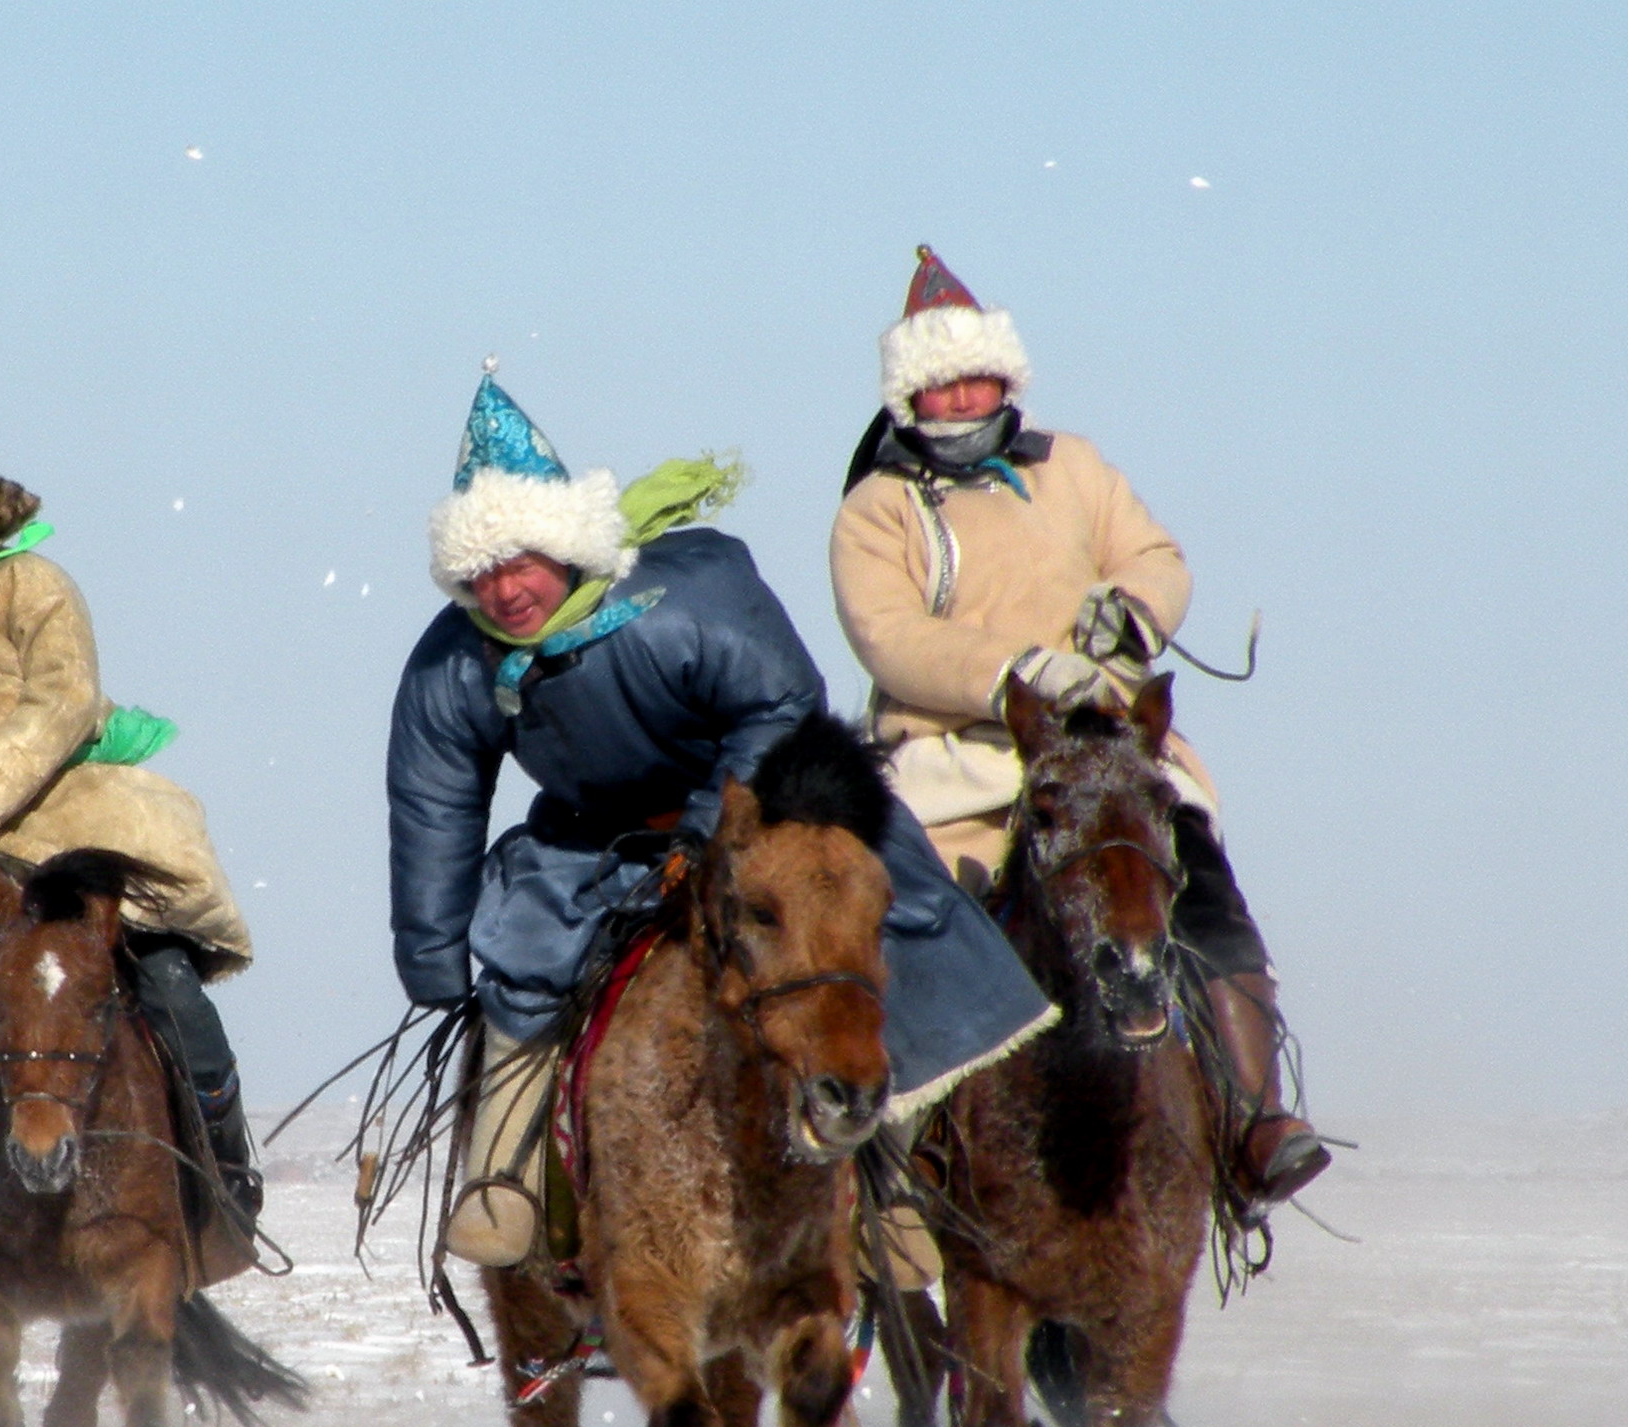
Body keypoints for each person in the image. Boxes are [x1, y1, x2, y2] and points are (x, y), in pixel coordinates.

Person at [385, 371, 1052, 1269]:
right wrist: (430, 955)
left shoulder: (687, 600)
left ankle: (892, 1180)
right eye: (479, 574)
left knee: (882, 922)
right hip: (594, 831)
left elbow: (781, 703)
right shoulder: (452, 667)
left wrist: (705, 831)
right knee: (523, 945)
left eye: (520, 563)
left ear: (567, 548)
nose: (503, 592)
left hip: (767, 800)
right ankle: (500, 1171)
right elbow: (434, 802)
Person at [829, 246, 1333, 1215]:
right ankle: (907, 1159)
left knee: (1192, 874)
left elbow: (1154, 554)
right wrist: (1010, 672)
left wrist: (1137, 613)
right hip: (960, 753)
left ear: (1005, 377)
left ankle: (1254, 1117)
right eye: (937, 386)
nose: (961, 397)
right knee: (930, 911)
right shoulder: (876, 508)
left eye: (976, 376)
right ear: (907, 399)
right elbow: (889, 638)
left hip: (1103, 741)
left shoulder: (1076, 467)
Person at [0, 411, 260, 1252]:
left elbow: (62, 701)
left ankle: (224, 1166)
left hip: (77, 833)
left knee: (173, 994)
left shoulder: (35, 584)